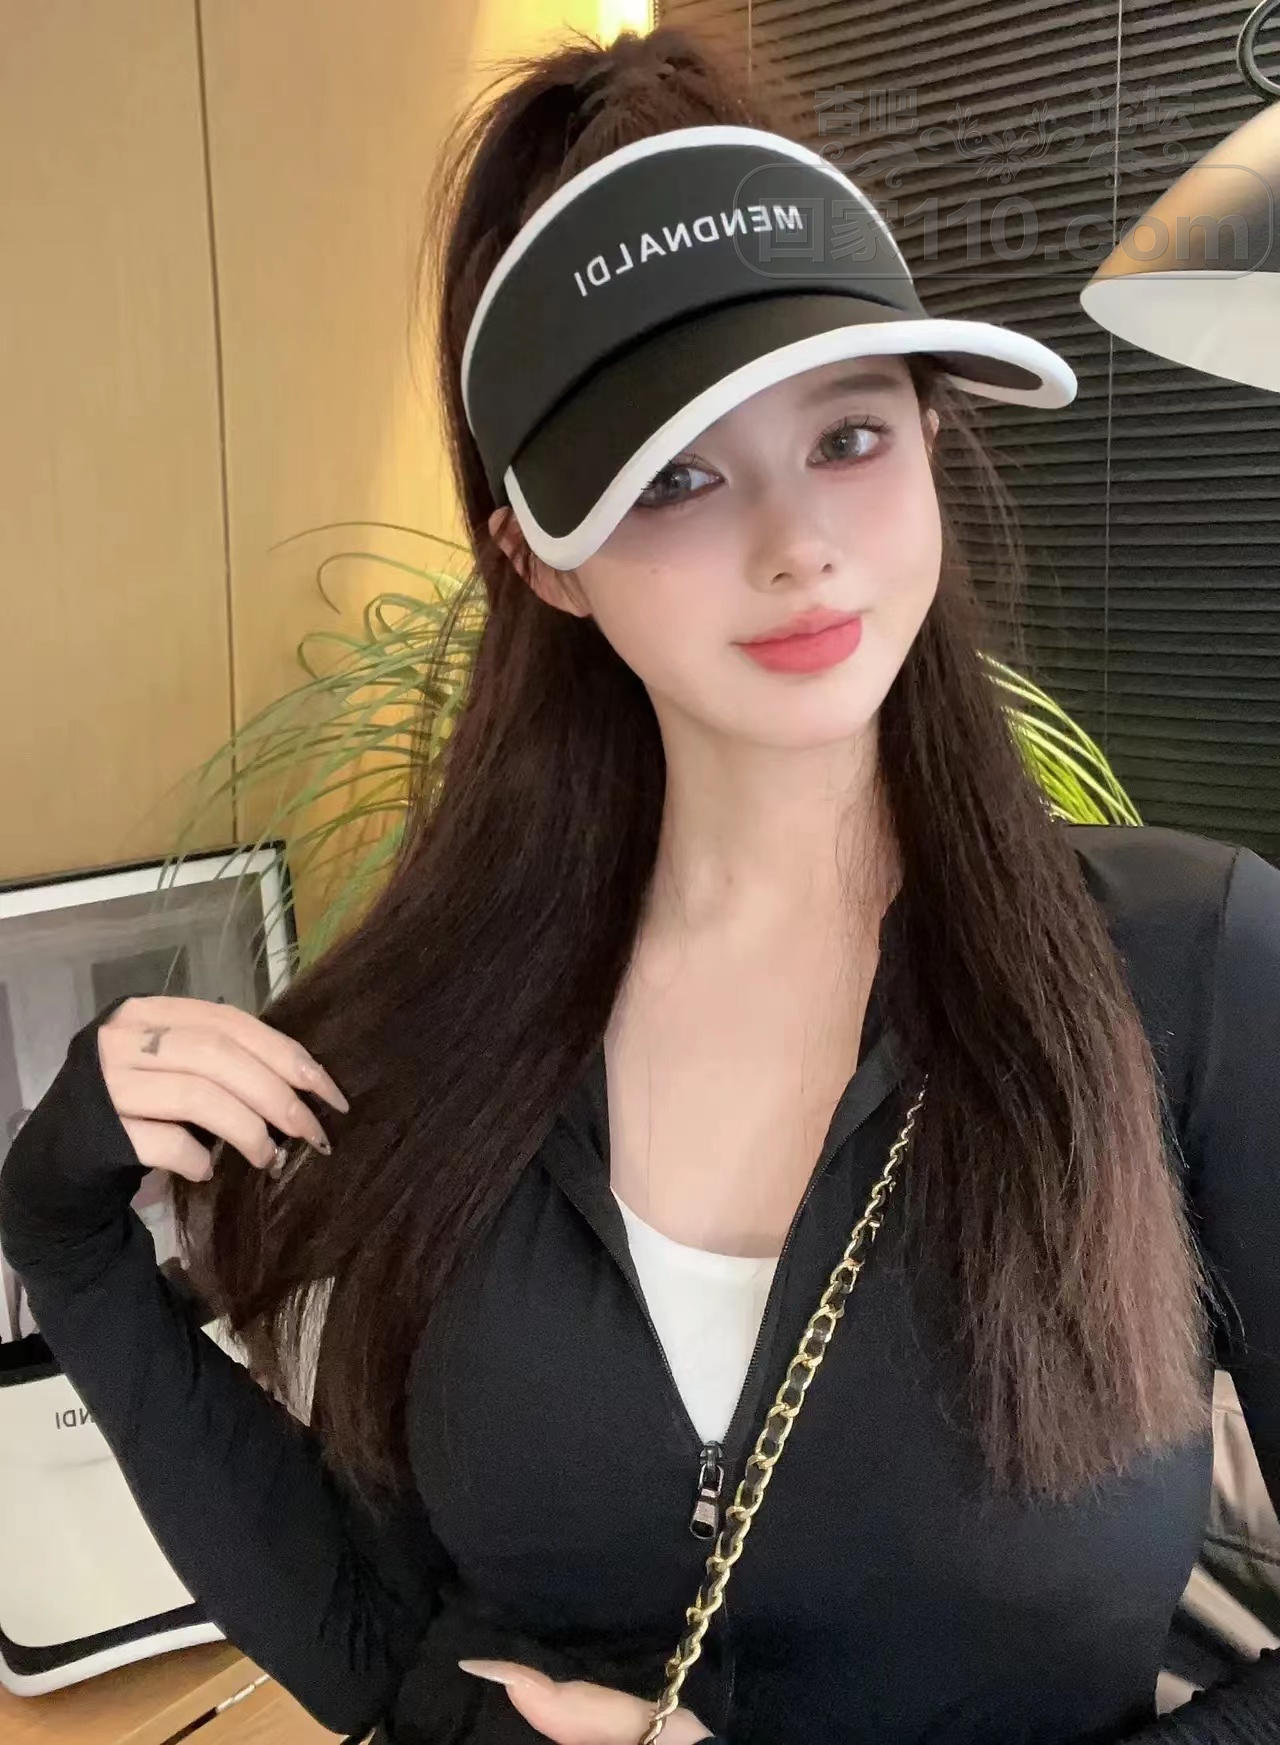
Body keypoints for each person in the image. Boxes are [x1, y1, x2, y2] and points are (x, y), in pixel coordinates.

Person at [2, 24, 1279, 1745]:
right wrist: (64, 1235)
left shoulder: (1193, 971)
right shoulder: (446, 1032)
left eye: (847, 434)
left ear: (929, 435)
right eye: (678, 475)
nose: (796, 545)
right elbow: (383, 1645)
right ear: (542, 560)